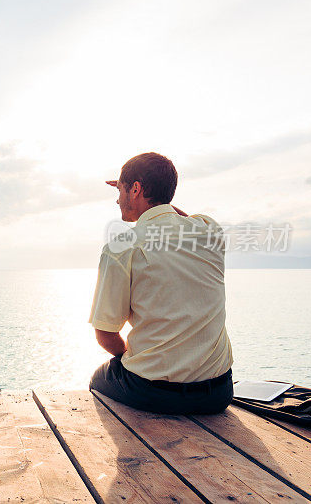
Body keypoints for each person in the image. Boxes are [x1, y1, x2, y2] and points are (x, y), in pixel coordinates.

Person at [88, 152, 233, 414]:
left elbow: (105, 335)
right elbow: (180, 219)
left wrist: (134, 360)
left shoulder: (121, 248)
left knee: (99, 379)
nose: (117, 199)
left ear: (135, 188)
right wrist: (155, 199)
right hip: (218, 393)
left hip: (154, 394)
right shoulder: (211, 230)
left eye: (121, 190)